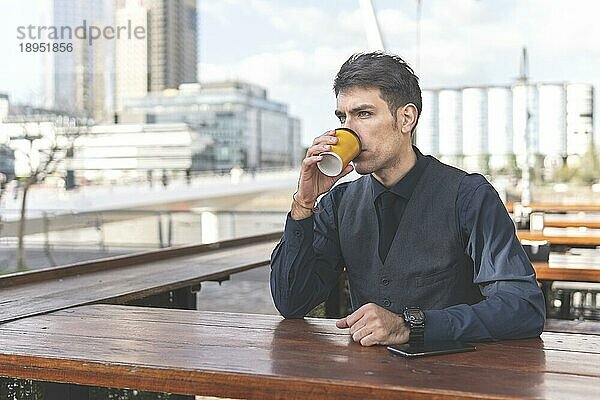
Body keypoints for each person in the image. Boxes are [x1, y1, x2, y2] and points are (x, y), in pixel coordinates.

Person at [270, 52, 545, 347]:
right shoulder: (339, 202)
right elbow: (291, 302)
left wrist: (411, 326)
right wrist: (304, 204)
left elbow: (523, 307)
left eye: (363, 114)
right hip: (369, 380)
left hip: (455, 378)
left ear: (406, 118)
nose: (346, 130)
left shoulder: (469, 196)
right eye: (342, 117)